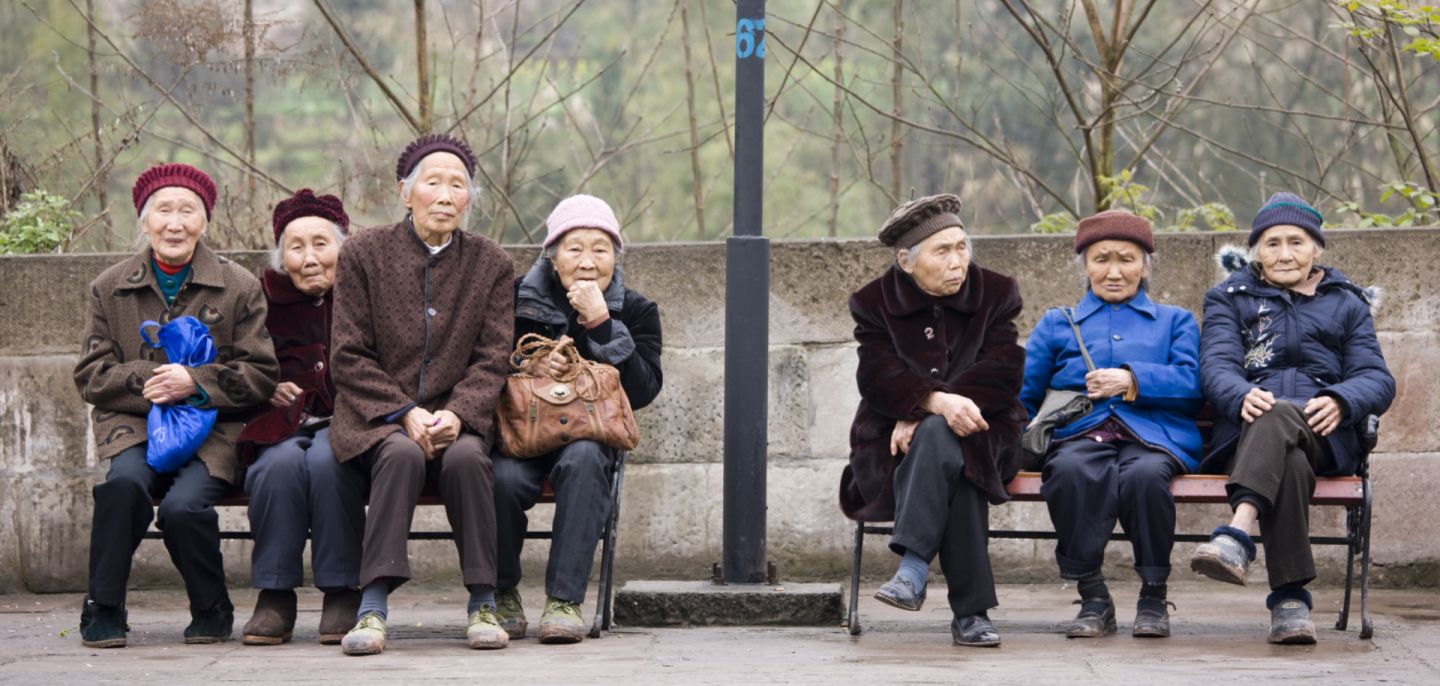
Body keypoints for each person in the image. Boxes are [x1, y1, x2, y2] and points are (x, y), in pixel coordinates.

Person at [74, 163, 279, 648]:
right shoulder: (110, 286)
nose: (175, 222)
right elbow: (90, 373)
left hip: (214, 431)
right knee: (123, 486)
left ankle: (211, 607)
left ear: (204, 221)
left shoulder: (239, 286)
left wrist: (195, 381)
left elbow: (262, 374)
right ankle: (103, 605)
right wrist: (152, 379)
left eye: (187, 210)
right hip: (136, 425)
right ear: (144, 221)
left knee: (185, 508)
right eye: (162, 210)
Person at [329, 134, 516, 655]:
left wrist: (458, 413)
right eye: (432, 182)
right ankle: (372, 607)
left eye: (458, 186)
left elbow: (493, 356)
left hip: (460, 418)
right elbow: (348, 353)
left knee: (468, 459)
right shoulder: (364, 253)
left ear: (469, 199)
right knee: (401, 453)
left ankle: (483, 599)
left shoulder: (491, 264)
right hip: (378, 420)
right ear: (404, 193)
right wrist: (404, 412)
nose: (445, 195)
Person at [1193, 192, 1395, 644]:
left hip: (1327, 437)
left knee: (1286, 422)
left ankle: (1237, 534)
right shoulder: (1229, 298)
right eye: (1272, 243)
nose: (1284, 253)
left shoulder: (1347, 302)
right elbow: (1216, 366)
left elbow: (1377, 378)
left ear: (1316, 247)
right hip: (1250, 433)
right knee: (1286, 451)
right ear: (1256, 250)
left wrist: (1342, 399)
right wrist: (1239, 393)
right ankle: (1290, 604)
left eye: (1296, 242)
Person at [839, 193, 1026, 648]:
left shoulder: (998, 292)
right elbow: (877, 375)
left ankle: (912, 567)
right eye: (942, 251)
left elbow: (1004, 371)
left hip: (988, 429)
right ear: (906, 261)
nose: (958, 260)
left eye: (962, 247)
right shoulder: (873, 302)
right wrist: (932, 404)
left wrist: (926, 407)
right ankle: (972, 616)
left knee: (948, 440)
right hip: (890, 442)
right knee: (953, 459)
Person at [1021, 209, 1202, 639]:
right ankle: (1093, 597)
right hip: (1078, 434)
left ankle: (1153, 596)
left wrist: (1133, 379)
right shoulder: (1057, 323)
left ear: (1145, 266)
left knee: (1145, 477)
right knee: (1067, 471)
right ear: (1084, 266)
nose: (1115, 271)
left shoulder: (1175, 321)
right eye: (1102, 259)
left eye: (1127, 259)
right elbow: (1026, 395)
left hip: (1153, 437)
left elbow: (1194, 385)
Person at [491, 194, 663, 644]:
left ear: (615, 256)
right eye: (575, 248)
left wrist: (603, 325)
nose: (588, 262)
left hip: (587, 440)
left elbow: (643, 391)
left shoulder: (637, 310)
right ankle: (502, 592)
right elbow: (483, 368)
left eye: (600, 249)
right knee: (502, 478)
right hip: (521, 436)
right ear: (551, 255)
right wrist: (530, 369)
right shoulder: (513, 300)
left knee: (587, 461)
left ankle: (564, 601)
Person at [235, 189, 365, 646]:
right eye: (296, 246)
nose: (310, 258)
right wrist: (265, 387)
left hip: (352, 420)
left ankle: (341, 589)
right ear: (281, 257)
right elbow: (236, 362)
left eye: (321, 243)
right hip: (281, 423)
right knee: (276, 467)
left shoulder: (365, 292)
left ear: (343, 247)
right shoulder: (258, 300)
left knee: (331, 463)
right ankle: (275, 593)